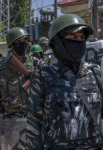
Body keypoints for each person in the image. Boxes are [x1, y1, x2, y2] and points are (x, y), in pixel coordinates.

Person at [26, 14, 103, 150]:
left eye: (82, 37)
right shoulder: (42, 78)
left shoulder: (95, 73)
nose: (79, 42)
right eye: (73, 37)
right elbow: (34, 128)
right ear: (57, 42)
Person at [0, 27, 29, 150]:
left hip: (33, 117)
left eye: (26, 40)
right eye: (20, 42)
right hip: (11, 119)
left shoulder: (35, 63)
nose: (24, 44)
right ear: (12, 44)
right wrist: (0, 123)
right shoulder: (1, 66)